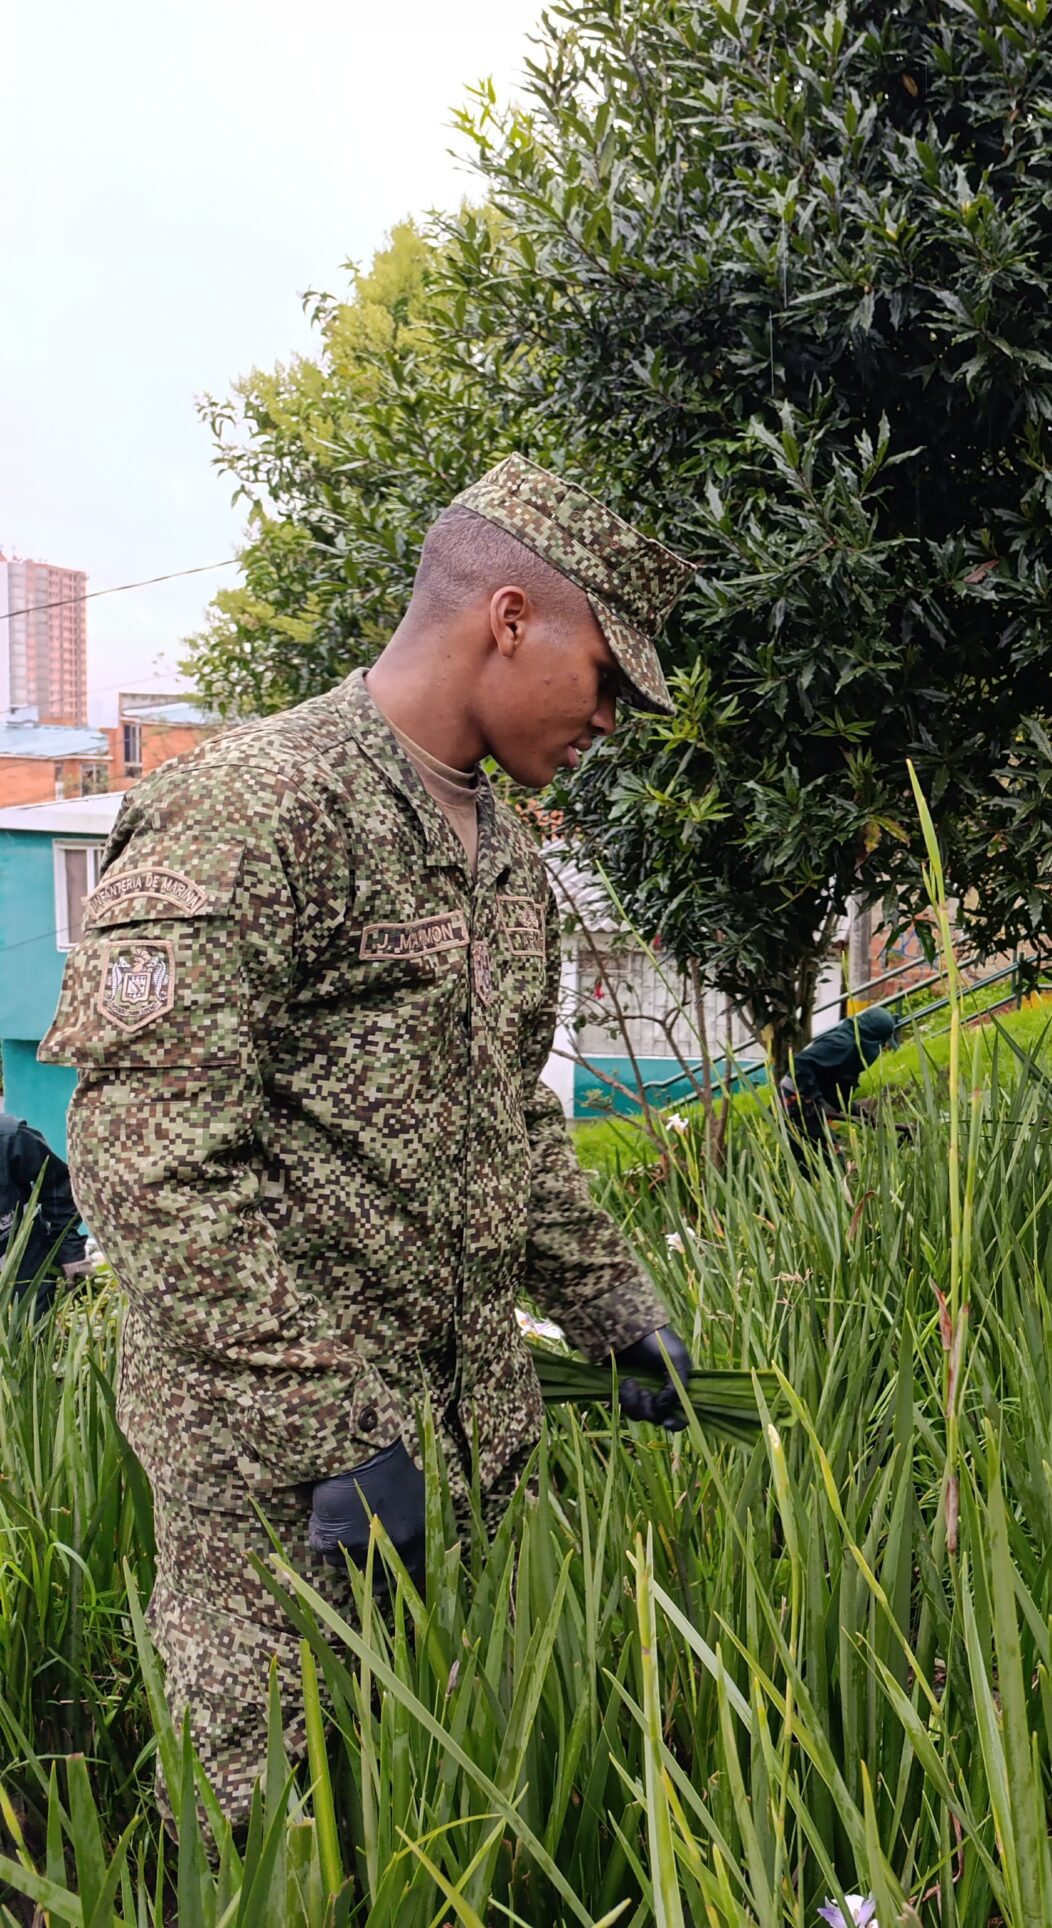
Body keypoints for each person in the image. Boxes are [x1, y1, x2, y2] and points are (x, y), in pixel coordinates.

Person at [41, 455, 703, 1826]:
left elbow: (506, 1112)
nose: (614, 722)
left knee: (429, 1813)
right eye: (607, 679)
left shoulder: (503, 852)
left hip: (457, 1443)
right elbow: (156, 1160)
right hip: (280, 1477)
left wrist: (613, 1311)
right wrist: (334, 1427)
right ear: (509, 619)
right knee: (276, 1821)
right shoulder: (256, 807)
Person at [0, 1110, 84, 1316]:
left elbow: (57, 1188)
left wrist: (71, 1253)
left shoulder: (11, 1137)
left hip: (21, 1255)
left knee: (30, 1336)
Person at [779, 1004, 902, 1135]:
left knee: (822, 1151)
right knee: (828, 1152)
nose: (882, 1047)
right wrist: (818, 1100)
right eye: (881, 1042)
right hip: (794, 1100)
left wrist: (855, 1109)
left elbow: (833, 1085)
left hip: (808, 1103)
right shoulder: (842, 1044)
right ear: (872, 1038)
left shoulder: (853, 1052)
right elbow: (800, 1064)